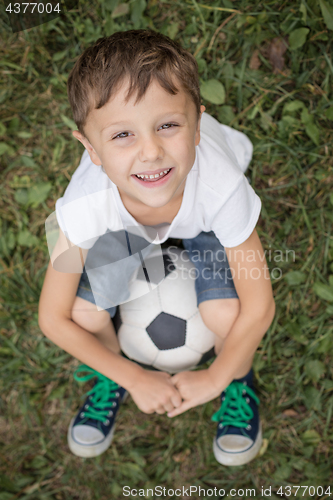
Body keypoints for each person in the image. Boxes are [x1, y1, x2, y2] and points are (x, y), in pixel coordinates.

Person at [38, 29, 275, 466]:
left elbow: (261, 305)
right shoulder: (80, 208)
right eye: (122, 135)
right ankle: (107, 376)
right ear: (90, 150)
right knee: (85, 314)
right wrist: (130, 376)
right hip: (121, 230)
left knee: (228, 314)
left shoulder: (223, 189)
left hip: (203, 221)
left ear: (198, 125)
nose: (151, 152)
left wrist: (216, 377)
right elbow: (52, 317)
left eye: (168, 125)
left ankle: (239, 383)